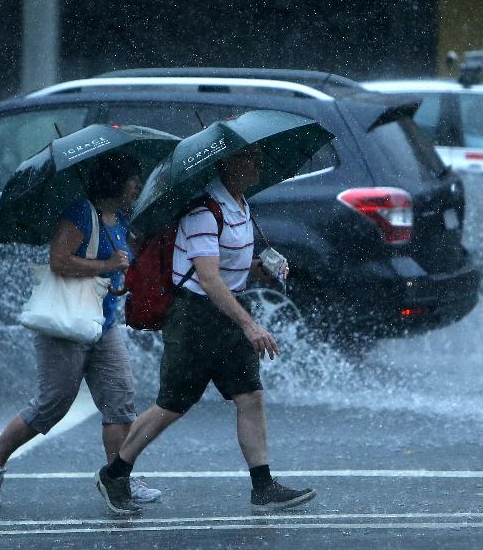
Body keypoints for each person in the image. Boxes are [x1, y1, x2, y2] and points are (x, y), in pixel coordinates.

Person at [94, 145, 316, 515]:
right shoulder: (203, 210)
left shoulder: (240, 205)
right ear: (228, 164)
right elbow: (209, 278)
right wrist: (250, 325)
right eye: (250, 159)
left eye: (260, 158)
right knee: (172, 404)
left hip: (227, 313)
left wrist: (262, 267)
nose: (258, 165)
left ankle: (263, 486)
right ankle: (115, 474)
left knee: (250, 396)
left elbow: (229, 269)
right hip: (195, 318)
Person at [0, 153, 161, 507]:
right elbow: (58, 262)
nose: (137, 185)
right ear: (116, 182)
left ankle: (119, 478)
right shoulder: (79, 214)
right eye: (133, 178)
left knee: (120, 403)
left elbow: (112, 270)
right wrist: (107, 264)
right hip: (65, 325)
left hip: (103, 324)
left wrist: (117, 280)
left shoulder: (119, 218)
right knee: (52, 404)